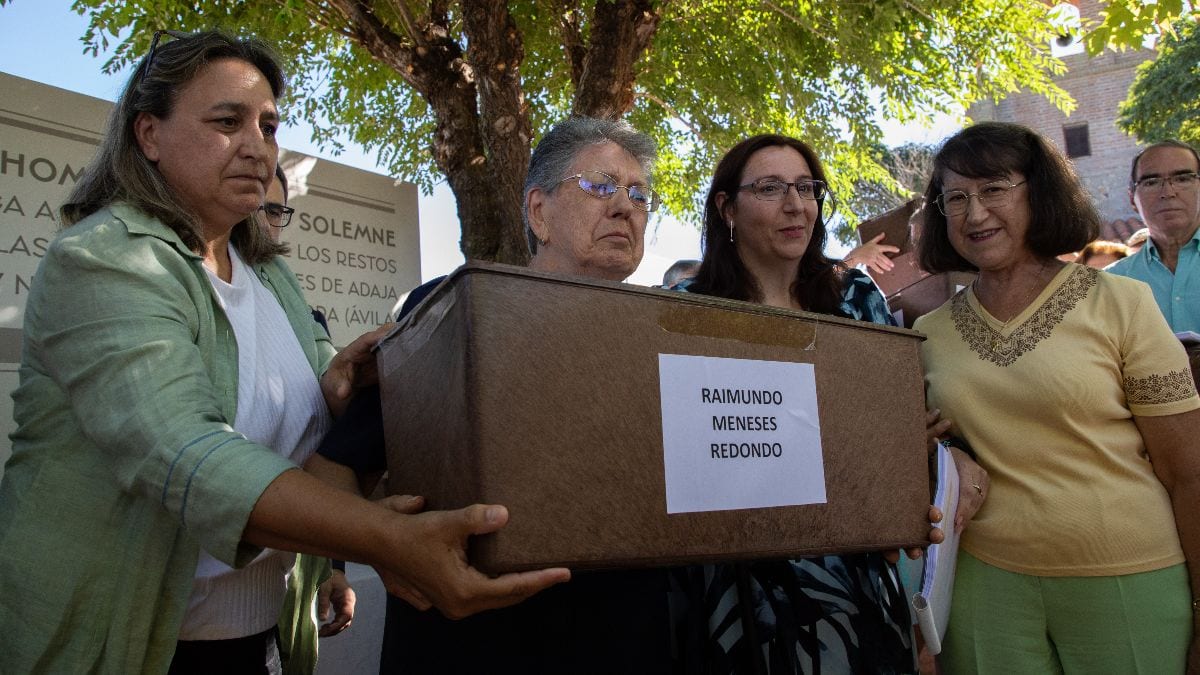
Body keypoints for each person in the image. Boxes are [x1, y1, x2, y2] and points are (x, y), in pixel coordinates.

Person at [0, 30, 566, 674]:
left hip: (257, 641)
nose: (256, 147)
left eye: (268, 126)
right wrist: (389, 538)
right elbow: (188, 454)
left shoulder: (268, 274)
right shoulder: (104, 259)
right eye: (226, 121)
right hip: (121, 643)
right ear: (148, 135)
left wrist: (341, 382)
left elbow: (310, 406)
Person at [307, 116, 675, 673]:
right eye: (601, 186)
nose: (626, 206)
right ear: (538, 212)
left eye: (639, 193)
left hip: (628, 638)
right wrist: (386, 546)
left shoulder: (668, 333)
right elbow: (332, 470)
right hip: (470, 641)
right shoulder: (458, 310)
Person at [915, 122, 1200, 673]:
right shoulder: (929, 332)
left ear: (1039, 192)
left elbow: (1189, 472)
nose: (975, 214)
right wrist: (926, 449)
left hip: (1129, 583)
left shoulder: (1123, 303)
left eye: (995, 189)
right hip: (983, 592)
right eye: (956, 197)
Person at [668, 133, 957, 673]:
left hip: (856, 575)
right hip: (736, 587)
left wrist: (912, 464)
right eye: (771, 187)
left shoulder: (857, 297)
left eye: (806, 187)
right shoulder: (684, 312)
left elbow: (897, 431)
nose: (795, 204)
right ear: (727, 206)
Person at [1107, 140, 1200, 332]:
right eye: (1151, 182)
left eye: (1182, 179)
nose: (1168, 192)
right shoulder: (1113, 282)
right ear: (1132, 198)